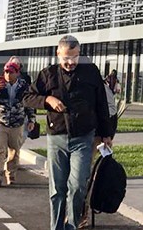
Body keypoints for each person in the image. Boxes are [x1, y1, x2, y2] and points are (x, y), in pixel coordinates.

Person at [23, 35, 113, 230]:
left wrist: (107, 134)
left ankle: (71, 225)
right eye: (66, 58)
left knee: (78, 184)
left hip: (84, 136)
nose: (71, 62)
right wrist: (47, 100)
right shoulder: (48, 74)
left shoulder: (90, 72)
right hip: (57, 137)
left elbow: (102, 104)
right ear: (58, 54)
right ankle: (56, 227)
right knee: (57, 188)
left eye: (75, 57)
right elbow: (27, 97)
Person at [0, 60, 35, 188]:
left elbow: (29, 104)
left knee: (14, 151)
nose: (7, 74)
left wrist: (31, 120)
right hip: (0, 122)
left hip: (17, 123)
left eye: (11, 72)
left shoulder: (24, 86)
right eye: (6, 72)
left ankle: (11, 174)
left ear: (17, 73)